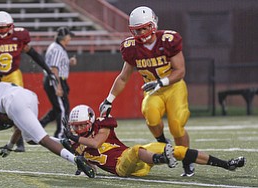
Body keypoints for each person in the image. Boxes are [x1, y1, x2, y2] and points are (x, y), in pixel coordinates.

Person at [99, 6, 193, 176]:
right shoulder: (131, 48)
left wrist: (161, 81)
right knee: (150, 114)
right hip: (152, 91)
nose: (141, 32)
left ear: (153, 25)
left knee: (177, 126)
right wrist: (109, 99)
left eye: (144, 28)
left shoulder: (168, 40)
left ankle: (187, 161)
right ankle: (162, 141)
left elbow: (180, 71)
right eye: (137, 30)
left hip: (173, 88)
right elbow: (123, 77)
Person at [64, 104, 245, 177]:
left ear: (91, 120)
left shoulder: (102, 125)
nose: (78, 129)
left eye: (81, 125)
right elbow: (92, 165)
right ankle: (162, 159)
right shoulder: (75, 145)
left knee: (179, 150)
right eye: (76, 126)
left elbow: (95, 143)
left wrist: (73, 138)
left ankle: (226, 164)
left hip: (140, 158)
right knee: (135, 150)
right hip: (122, 168)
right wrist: (81, 164)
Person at [0, 78, 95, 178]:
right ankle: (63, 142)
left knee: (43, 139)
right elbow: (20, 128)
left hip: (15, 101)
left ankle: (76, 160)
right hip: (29, 96)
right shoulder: (1, 90)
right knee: (30, 138)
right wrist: (9, 147)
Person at [0, 11, 58, 152]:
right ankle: (17, 141)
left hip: (13, 76)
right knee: (3, 112)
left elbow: (33, 54)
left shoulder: (19, 37)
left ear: (11, 26)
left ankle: (20, 143)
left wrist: (48, 70)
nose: (3, 31)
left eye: (5, 27)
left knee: (16, 109)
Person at [39, 27, 77, 139]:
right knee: (62, 109)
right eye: (69, 36)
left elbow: (57, 65)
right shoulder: (57, 49)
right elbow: (54, 69)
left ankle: (38, 126)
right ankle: (60, 135)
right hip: (55, 81)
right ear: (64, 38)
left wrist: (69, 62)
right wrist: (58, 86)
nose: (70, 38)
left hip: (55, 80)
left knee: (57, 108)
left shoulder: (57, 47)